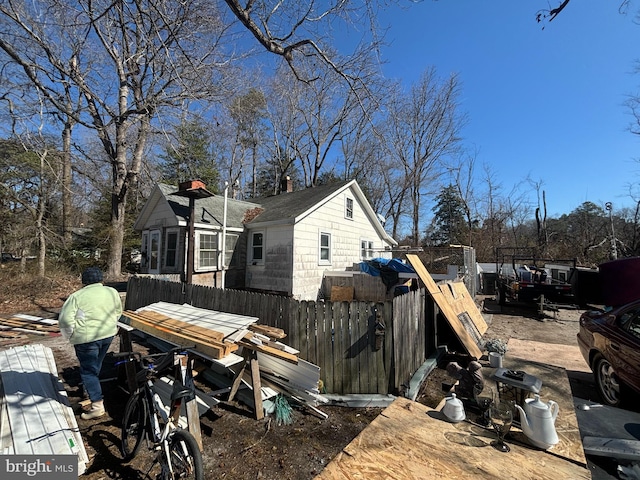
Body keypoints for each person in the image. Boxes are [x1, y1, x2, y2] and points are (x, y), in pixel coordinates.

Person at [58, 267, 122, 420]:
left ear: (83, 282)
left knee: (88, 371)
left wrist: (70, 335)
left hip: (87, 339)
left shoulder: (77, 296)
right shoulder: (111, 292)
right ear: (101, 279)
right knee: (95, 366)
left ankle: (97, 406)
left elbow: (65, 320)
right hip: (107, 334)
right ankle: (91, 390)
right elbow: (118, 311)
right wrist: (112, 324)